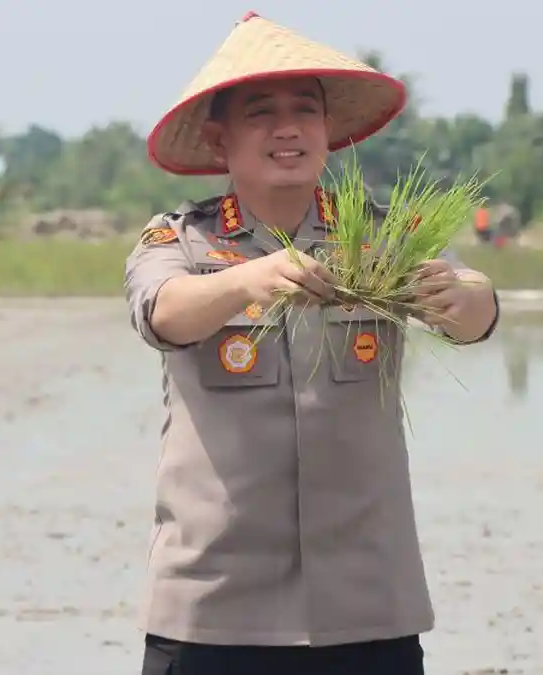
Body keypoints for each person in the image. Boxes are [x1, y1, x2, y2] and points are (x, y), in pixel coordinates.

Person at [124, 12, 501, 675]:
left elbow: (474, 307)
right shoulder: (178, 242)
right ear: (220, 140)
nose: (288, 127)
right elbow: (163, 311)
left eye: (305, 109)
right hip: (214, 606)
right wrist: (250, 280)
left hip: (367, 606)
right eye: (261, 113)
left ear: (328, 132)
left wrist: (465, 297)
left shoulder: (381, 239)